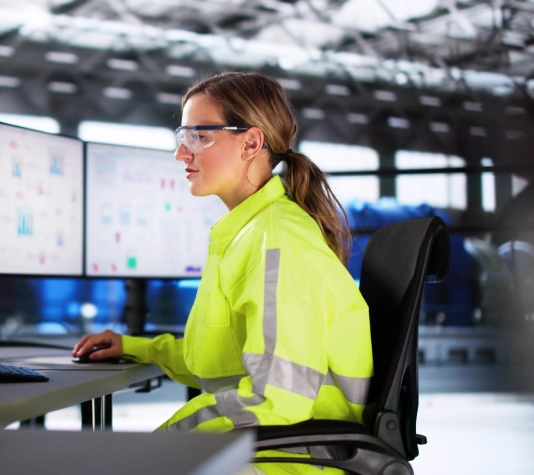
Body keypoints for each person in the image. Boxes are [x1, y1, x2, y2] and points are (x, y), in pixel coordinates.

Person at [72, 72, 373, 475]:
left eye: (199, 136)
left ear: (250, 143)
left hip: (292, 461)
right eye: (183, 135)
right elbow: (220, 359)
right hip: (272, 448)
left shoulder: (278, 241)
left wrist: (161, 443)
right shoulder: (247, 232)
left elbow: (278, 397)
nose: (181, 153)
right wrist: (137, 346)